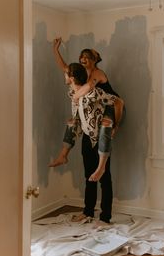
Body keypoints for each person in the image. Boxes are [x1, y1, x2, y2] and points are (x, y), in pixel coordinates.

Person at [49, 63, 124, 224]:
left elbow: (118, 102)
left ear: (72, 78)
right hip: (86, 139)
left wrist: (115, 126)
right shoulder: (72, 94)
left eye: (66, 74)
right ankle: (88, 212)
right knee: (88, 176)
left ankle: (105, 217)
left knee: (104, 178)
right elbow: (77, 118)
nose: (64, 76)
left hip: (101, 138)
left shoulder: (94, 93)